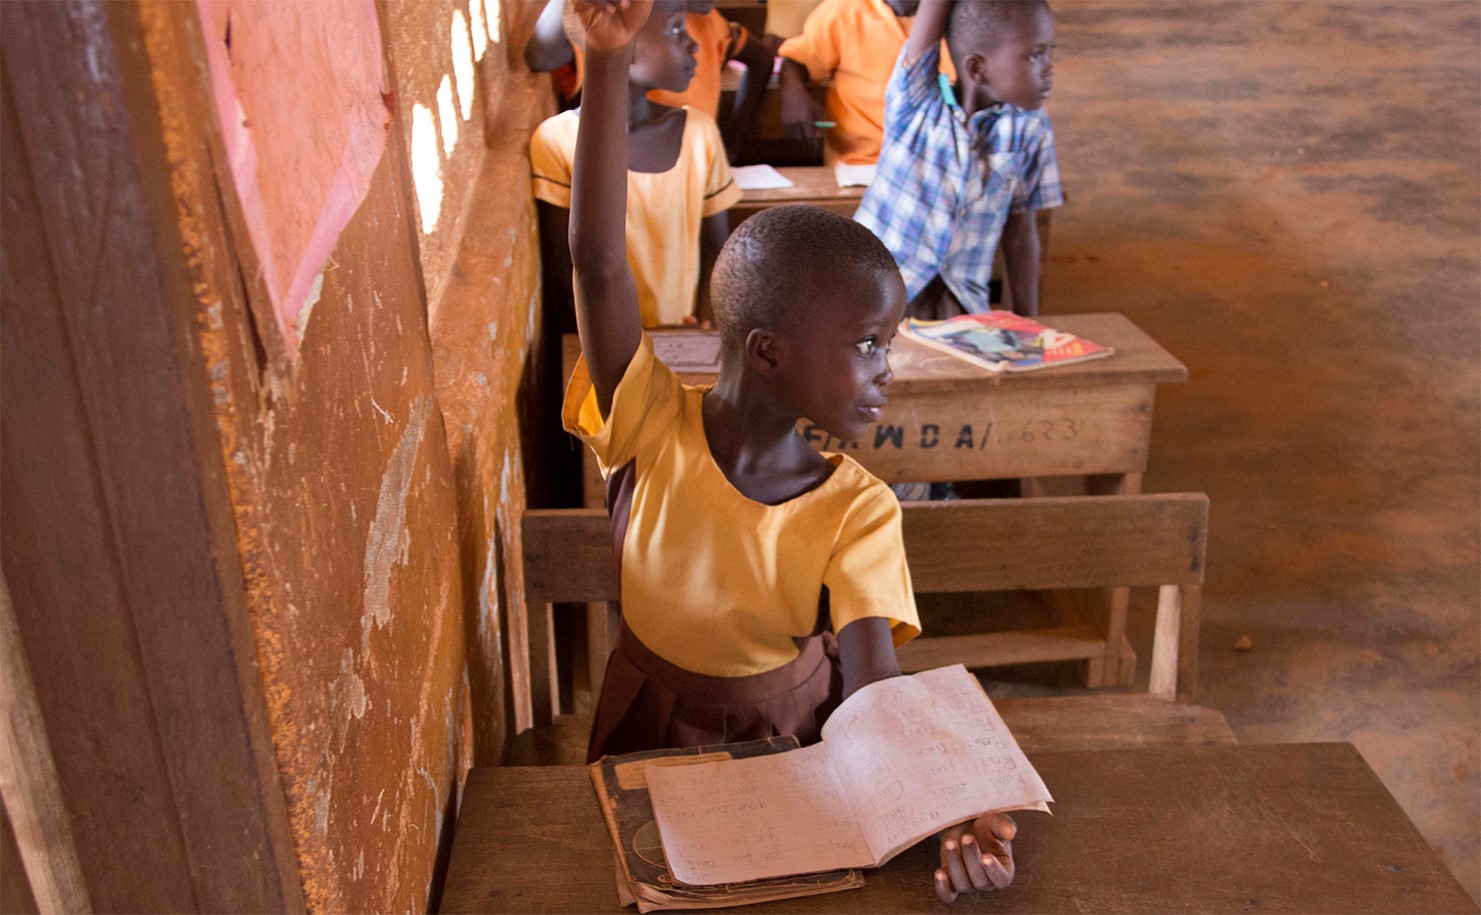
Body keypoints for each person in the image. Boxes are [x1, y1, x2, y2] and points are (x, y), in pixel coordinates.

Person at [563, 0, 1020, 902]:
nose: (885, 371)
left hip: (795, 749)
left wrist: (954, 803)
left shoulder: (858, 511)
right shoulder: (648, 417)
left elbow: (873, 698)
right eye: (865, 344)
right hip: (644, 728)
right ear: (767, 349)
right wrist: (605, 62)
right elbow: (595, 263)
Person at [530, 0, 741, 328]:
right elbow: (571, 278)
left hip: (685, 341)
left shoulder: (699, 133)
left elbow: (718, 254)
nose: (693, 43)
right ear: (620, 40)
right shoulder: (557, 141)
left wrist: (705, 326)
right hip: (607, 350)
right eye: (675, 29)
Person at [854, 0, 1062, 318]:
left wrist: (1028, 323)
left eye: (1049, 52)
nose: (1048, 69)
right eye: (1034, 55)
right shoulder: (916, 101)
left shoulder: (1030, 127)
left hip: (961, 301)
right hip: (874, 295)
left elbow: (1021, 232)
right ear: (977, 68)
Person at [524, 0, 774, 151]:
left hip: (691, 168)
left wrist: (731, 141)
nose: (691, 46)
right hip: (634, 166)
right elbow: (541, 56)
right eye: (676, 31)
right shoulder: (628, 23)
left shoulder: (708, 23)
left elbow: (761, 58)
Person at [776, 0, 955, 166]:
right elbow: (797, 60)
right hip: (860, 163)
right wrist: (793, 92)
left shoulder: (961, 13)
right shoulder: (844, 9)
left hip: (940, 162)